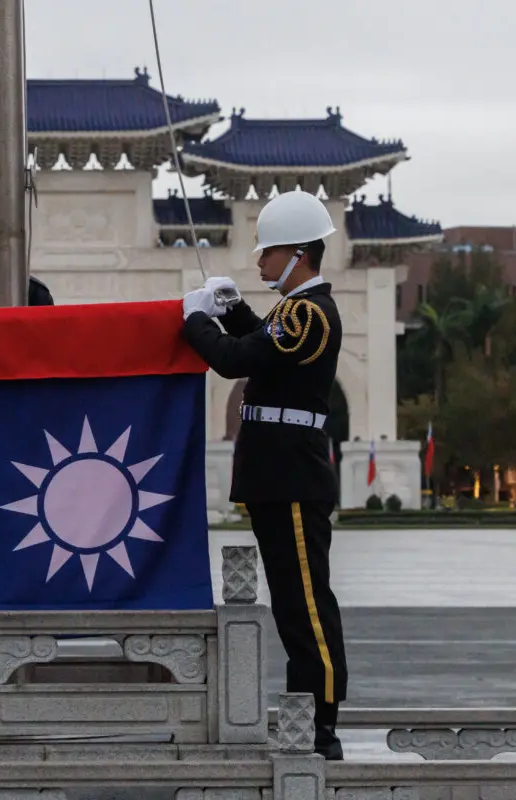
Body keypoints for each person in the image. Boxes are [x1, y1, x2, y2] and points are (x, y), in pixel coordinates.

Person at [178, 189, 347, 760]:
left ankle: (322, 724)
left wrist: (197, 320)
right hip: (280, 476)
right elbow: (263, 350)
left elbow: (234, 360)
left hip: (293, 478)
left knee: (305, 605)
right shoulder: (294, 313)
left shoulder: (308, 312)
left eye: (268, 253)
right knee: (292, 603)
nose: (259, 262)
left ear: (298, 253)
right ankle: (309, 716)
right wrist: (235, 311)